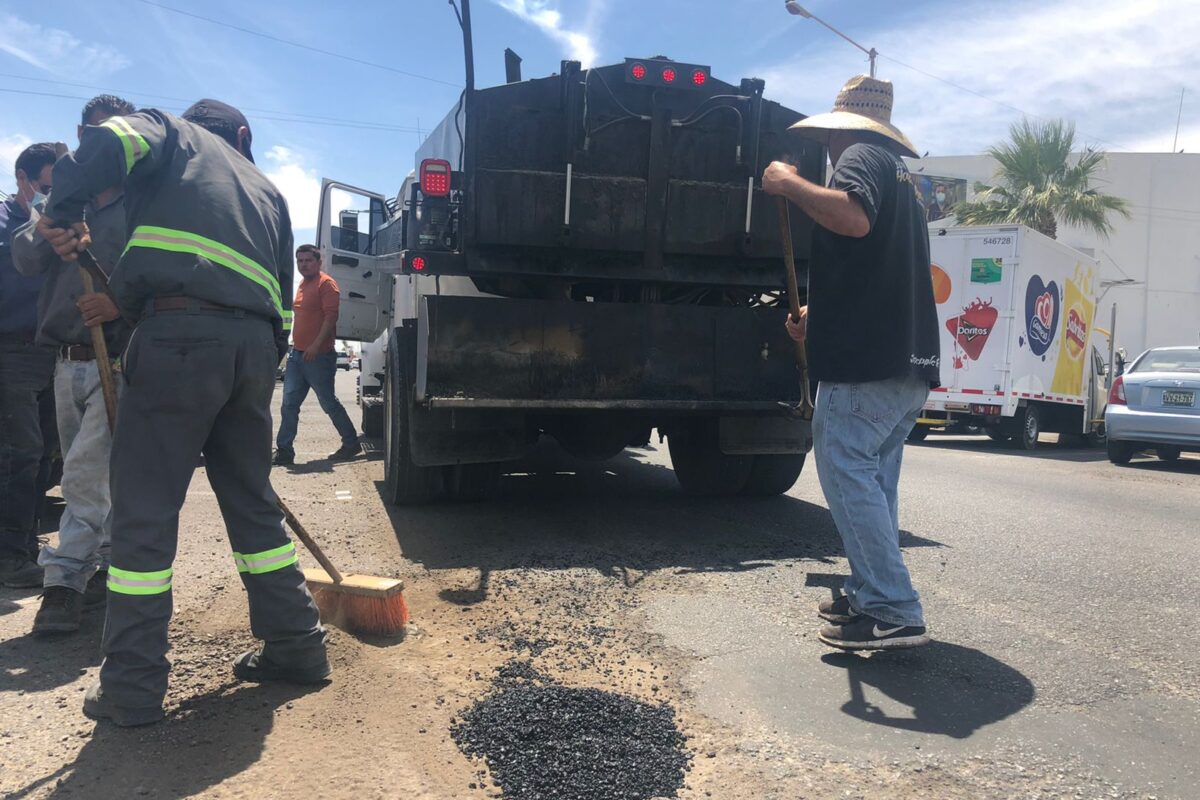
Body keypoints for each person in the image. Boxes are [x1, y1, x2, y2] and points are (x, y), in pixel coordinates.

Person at [41, 98, 328, 726]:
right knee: (253, 504)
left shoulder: (170, 132)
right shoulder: (269, 191)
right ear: (245, 136)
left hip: (177, 337)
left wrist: (59, 209)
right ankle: (298, 647)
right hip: (253, 352)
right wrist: (250, 367)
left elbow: (107, 140)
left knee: (143, 513)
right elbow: (282, 297)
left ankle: (133, 689)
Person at [761, 75, 940, 651]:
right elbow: (879, 262)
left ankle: (891, 605)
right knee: (874, 482)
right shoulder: (906, 180)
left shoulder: (861, 157)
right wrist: (821, 310)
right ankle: (871, 597)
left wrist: (789, 184)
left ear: (840, 129)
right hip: (905, 360)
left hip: (867, 362)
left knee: (845, 468)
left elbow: (854, 220)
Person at [11, 95, 135, 633]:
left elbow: (166, 274)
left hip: (119, 360)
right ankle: (106, 567)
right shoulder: (65, 199)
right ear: (81, 137)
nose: (98, 143)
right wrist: (41, 231)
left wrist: (120, 302)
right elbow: (23, 257)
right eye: (91, 134)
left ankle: (61, 584)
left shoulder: (142, 203)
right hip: (66, 361)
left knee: (85, 474)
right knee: (93, 474)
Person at [0, 143, 59, 588]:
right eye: (44, 188)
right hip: (11, 352)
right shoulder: (4, 223)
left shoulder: (52, 226)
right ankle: (9, 555)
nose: (49, 198)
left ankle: (24, 543)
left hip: (47, 354)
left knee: (41, 455)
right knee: (17, 455)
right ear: (22, 180)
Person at [273, 245, 362, 466]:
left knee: (328, 403)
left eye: (308, 261)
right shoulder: (302, 285)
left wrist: (315, 345)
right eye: (300, 261)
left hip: (318, 356)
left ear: (318, 262)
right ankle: (284, 451)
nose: (303, 264)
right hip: (298, 355)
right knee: (289, 404)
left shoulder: (326, 284)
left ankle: (351, 444)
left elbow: (331, 318)